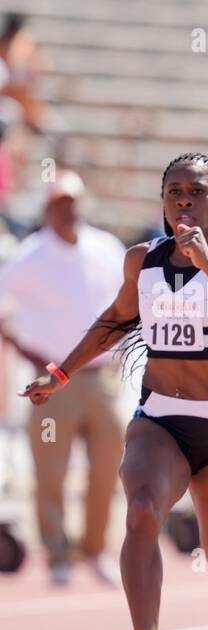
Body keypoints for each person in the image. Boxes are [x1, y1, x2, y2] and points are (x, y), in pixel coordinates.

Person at [20, 153, 208, 630]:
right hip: (160, 418)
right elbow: (114, 320)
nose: (184, 199)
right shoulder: (144, 261)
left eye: (198, 191)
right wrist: (61, 373)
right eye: (174, 191)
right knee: (140, 512)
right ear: (163, 200)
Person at [0, 171, 125, 585]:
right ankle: (58, 555)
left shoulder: (105, 249)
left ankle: (93, 548)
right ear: (47, 208)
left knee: (107, 466)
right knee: (51, 470)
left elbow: (129, 303)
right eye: (60, 204)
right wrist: (24, 350)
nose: (68, 211)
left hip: (100, 378)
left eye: (73, 203)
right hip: (51, 381)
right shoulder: (29, 256)